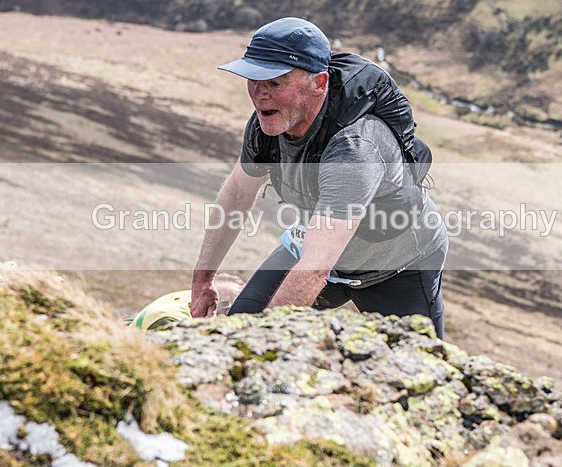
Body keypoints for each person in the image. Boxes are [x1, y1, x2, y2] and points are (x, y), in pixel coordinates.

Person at [190, 17, 448, 338]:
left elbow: (315, 270)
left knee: (420, 364)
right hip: (317, 248)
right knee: (242, 325)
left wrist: (263, 341)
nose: (259, 94)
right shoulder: (268, 124)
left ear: (320, 83)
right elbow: (237, 196)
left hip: (398, 266)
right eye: (253, 79)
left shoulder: (354, 148)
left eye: (275, 82)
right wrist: (203, 281)